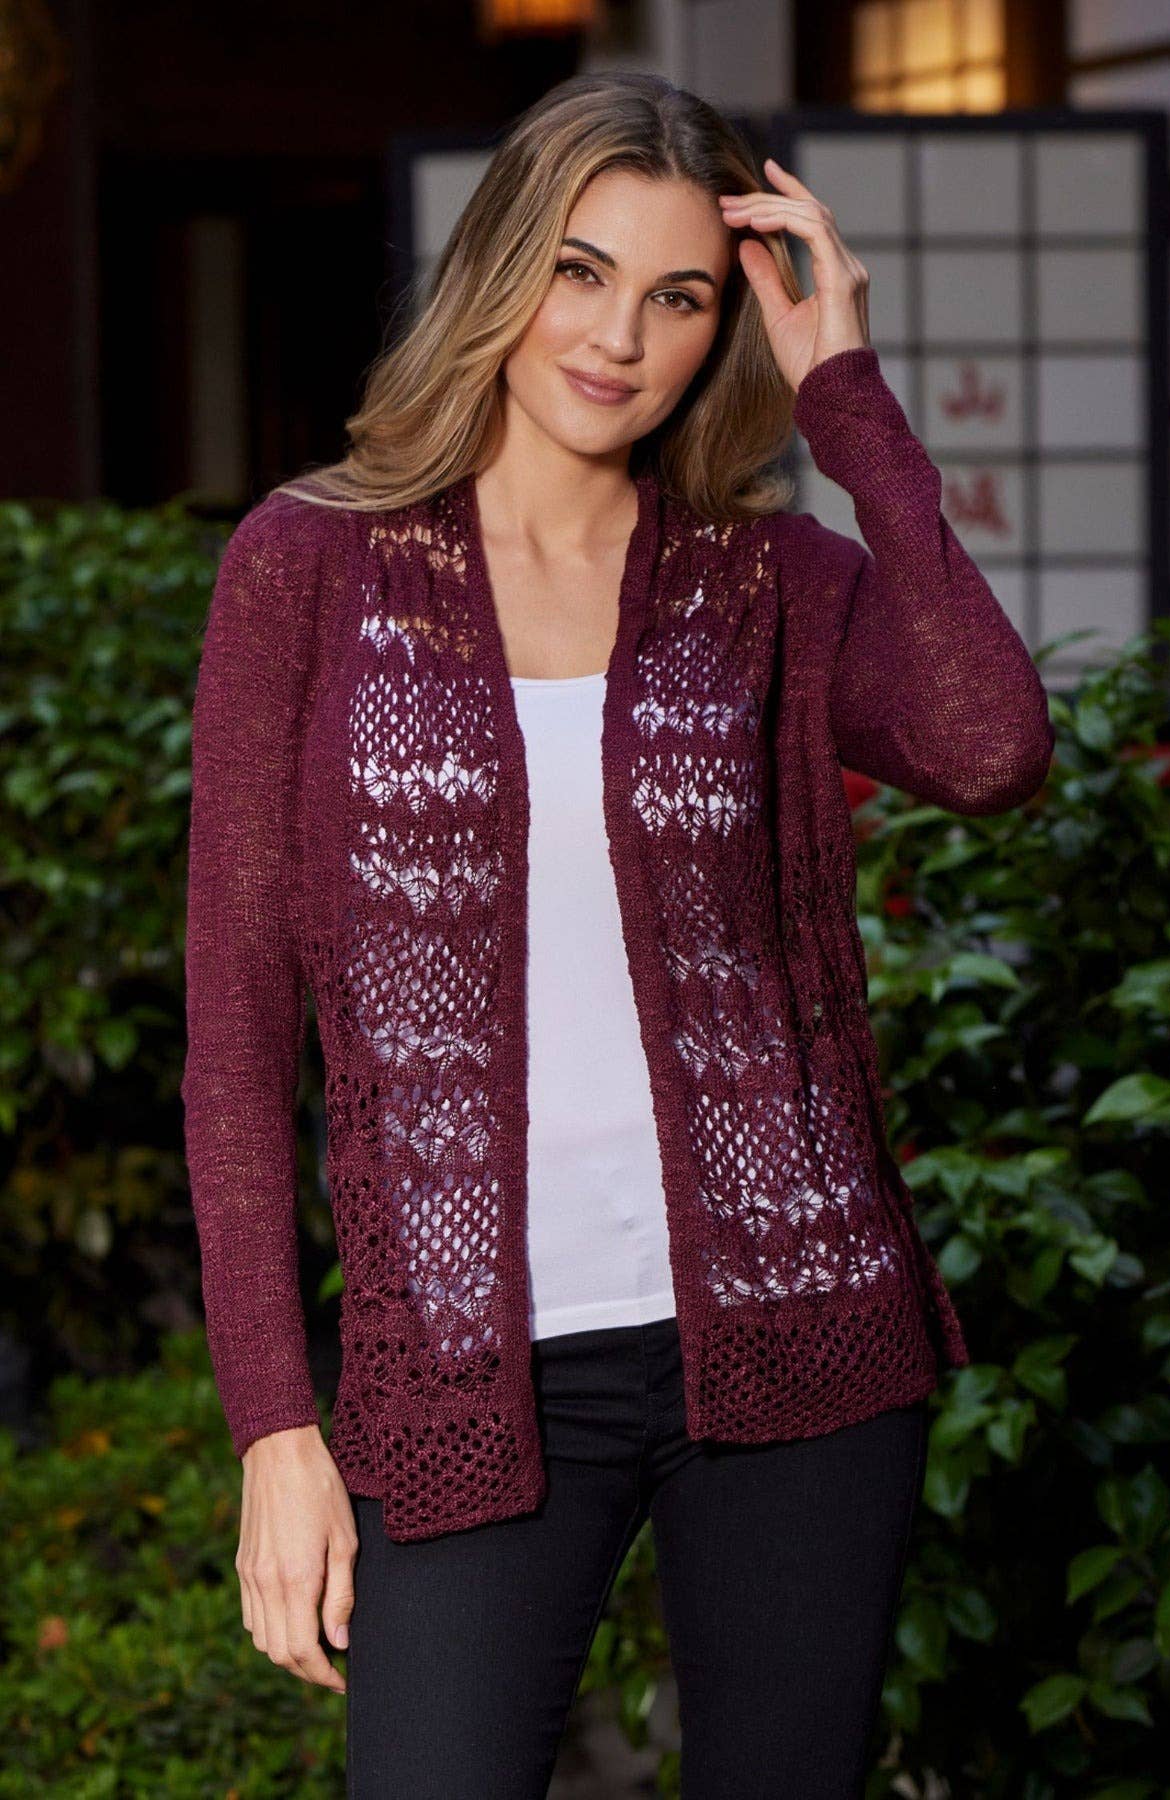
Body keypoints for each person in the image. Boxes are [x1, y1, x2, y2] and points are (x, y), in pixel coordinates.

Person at [180, 71, 1055, 1799]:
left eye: (680, 297)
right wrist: (276, 1425)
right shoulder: (311, 567)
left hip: (803, 1331)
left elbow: (990, 747)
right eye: (580, 273)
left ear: (727, 327)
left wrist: (849, 397)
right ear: (502, 267)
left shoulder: (765, 580)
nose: (617, 339)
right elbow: (234, 1033)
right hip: (467, 1359)